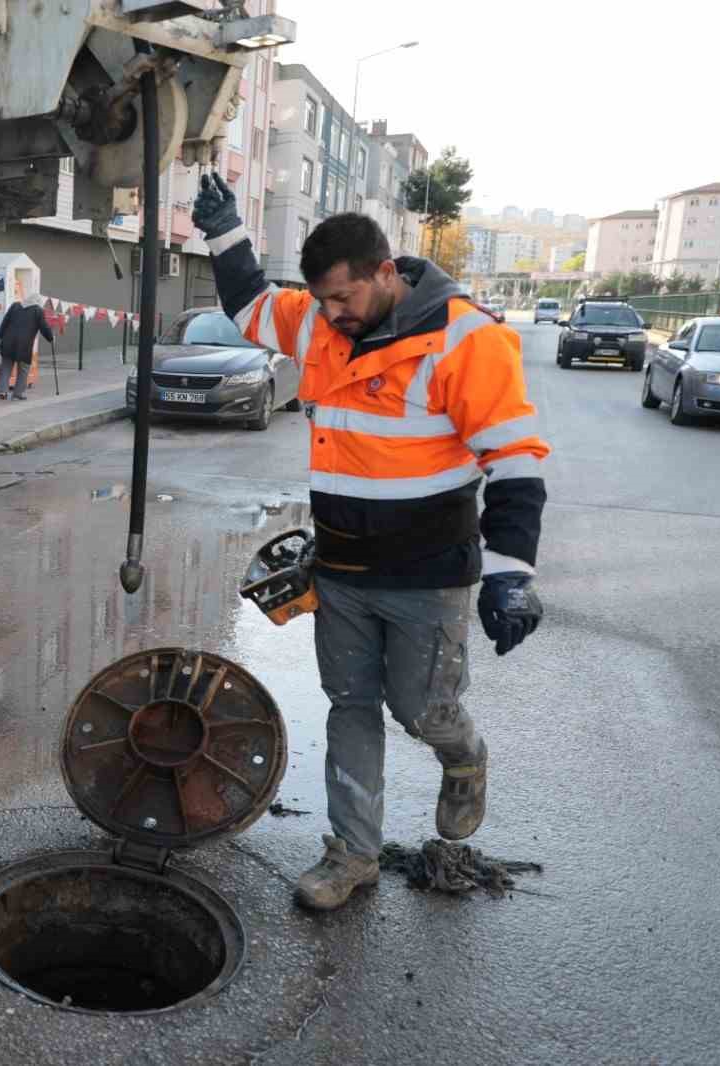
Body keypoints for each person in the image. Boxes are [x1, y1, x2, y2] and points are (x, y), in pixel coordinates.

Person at [193, 173, 549, 911]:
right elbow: (253, 303)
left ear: (386, 274)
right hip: (345, 573)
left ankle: (465, 757)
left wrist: (511, 573)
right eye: (321, 300)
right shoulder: (321, 323)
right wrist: (226, 232)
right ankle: (352, 854)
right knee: (349, 705)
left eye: (344, 299)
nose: (330, 315)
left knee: (422, 710)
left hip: (428, 578)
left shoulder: (465, 340)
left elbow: (514, 461)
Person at [0, 296, 52, 400]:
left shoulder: (15, 306)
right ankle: (18, 394)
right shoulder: (38, 311)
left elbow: (5, 322)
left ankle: (3, 392)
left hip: (8, 342)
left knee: (6, 367)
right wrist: (50, 338)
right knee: (23, 369)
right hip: (24, 345)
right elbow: (44, 327)